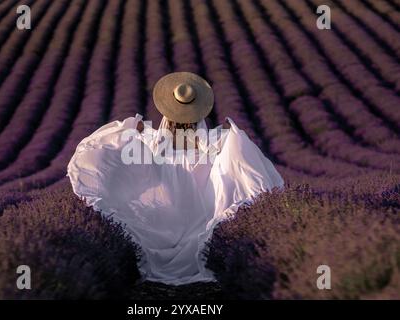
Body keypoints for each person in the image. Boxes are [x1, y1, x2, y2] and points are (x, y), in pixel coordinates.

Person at [67, 72, 284, 285]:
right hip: (200, 215)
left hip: (163, 216)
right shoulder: (215, 142)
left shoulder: (152, 141)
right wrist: (234, 133)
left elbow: (109, 144)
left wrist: (131, 127)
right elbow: (239, 158)